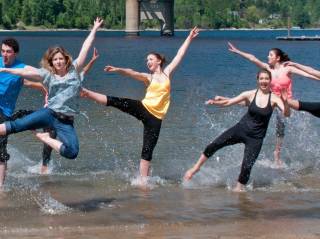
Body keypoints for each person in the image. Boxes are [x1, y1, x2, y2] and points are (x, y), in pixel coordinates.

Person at [81, 27, 199, 182]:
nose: (148, 62)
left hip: (156, 119)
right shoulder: (147, 77)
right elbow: (132, 72)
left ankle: (143, 182)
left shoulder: (167, 73)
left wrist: (189, 37)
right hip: (144, 108)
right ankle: (87, 93)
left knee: (148, 150)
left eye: (151, 59)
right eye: (147, 60)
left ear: (159, 61)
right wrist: (118, 69)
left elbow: (180, 54)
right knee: (118, 102)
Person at [0, 18, 103, 183]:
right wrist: (6, 69)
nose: (59, 61)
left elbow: (85, 47)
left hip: (66, 121)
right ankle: (44, 140)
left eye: (61, 58)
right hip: (48, 114)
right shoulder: (47, 74)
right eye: (55, 60)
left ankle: (46, 138)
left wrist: (95, 29)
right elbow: (25, 73)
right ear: (51, 62)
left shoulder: (75, 69)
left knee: (72, 151)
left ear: (66, 59)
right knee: (15, 126)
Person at [184, 69, 290, 192]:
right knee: (214, 145)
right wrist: (216, 102)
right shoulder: (249, 94)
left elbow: (287, 114)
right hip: (240, 129)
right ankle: (195, 168)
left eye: (266, 78)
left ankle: (239, 190)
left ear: (270, 81)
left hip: (256, 138)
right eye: (261, 78)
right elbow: (229, 102)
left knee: (246, 167)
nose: (264, 81)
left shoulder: (275, 99)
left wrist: (286, 102)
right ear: (257, 80)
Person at [228, 42, 320, 166]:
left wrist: (317, 79)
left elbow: (308, 73)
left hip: (286, 102)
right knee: (253, 104)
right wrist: (238, 51)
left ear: (277, 58)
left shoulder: (288, 68)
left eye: (270, 55)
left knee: (281, 126)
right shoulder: (267, 68)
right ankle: (229, 101)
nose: (268, 57)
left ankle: (277, 152)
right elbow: (253, 58)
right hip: (273, 100)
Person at [0, 38, 51, 187]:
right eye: (2, 51)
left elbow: (38, 78)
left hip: (4, 112)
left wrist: (45, 90)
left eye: (8, 52)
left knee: (1, 150)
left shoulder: (22, 69)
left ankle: (1, 189)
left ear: (15, 53)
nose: (4, 54)